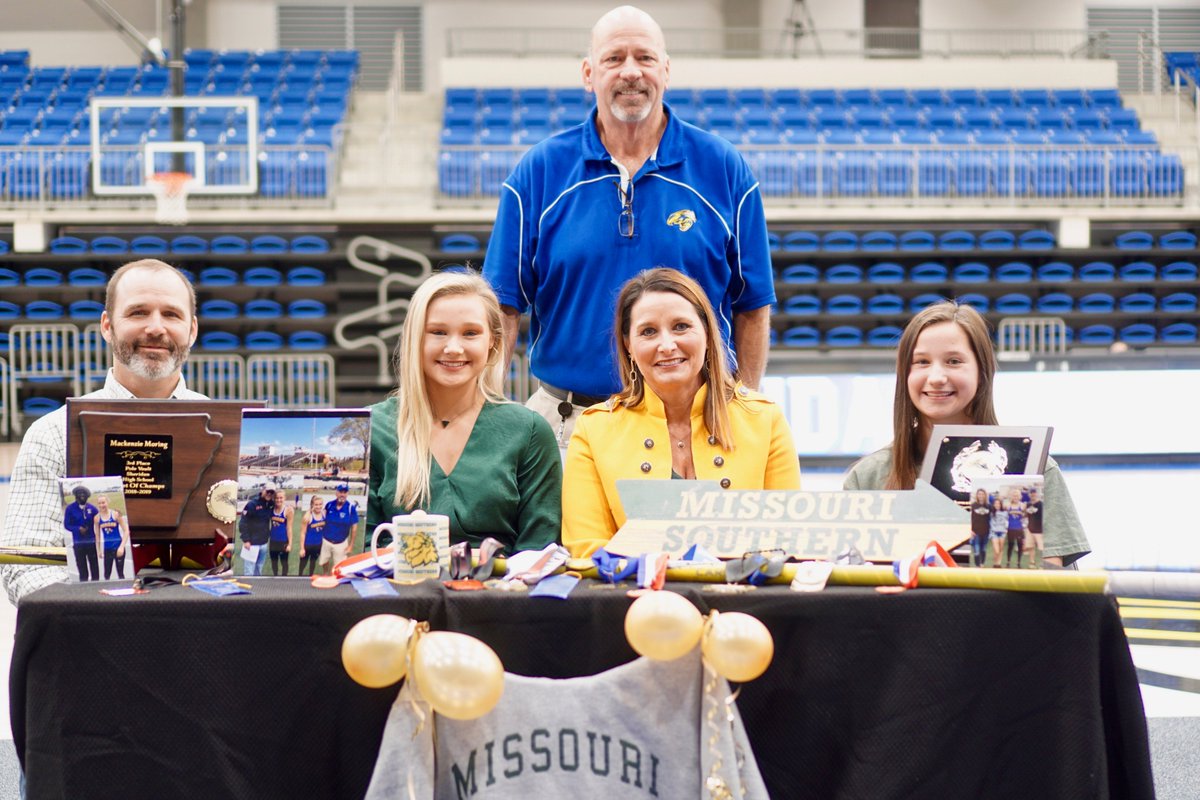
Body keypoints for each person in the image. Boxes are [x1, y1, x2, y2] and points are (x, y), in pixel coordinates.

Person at [483, 5, 775, 449]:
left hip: (696, 422)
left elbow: (752, 306)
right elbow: (503, 308)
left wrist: (742, 405)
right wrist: (490, 413)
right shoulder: (539, 171)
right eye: (614, 59)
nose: (631, 72)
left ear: (666, 70)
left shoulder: (724, 168)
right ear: (588, 74)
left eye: (645, 58)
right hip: (567, 424)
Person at [0, 258, 206, 605]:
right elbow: (25, 566)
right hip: (94, 642)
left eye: (171, 314)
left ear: (193, 330)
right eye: (138, 312)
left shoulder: (235, 432)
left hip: (204, 638)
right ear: (107, 326)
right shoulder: (52, 435)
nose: (155, 328)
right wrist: (110, 616)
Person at [562, 268, 800, 558]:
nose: (666, 345)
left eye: (680, 327)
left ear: (707, 334)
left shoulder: (765, 419)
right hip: (634, 596)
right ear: (629, 346)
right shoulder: (593, 429)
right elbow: (587, 550)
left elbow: (786, 541)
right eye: (648, 331)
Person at [843, 302, 1090, 567]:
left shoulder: (1033, 468)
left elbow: (1052, 584)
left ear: (982, 373)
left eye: (954, 361)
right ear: (905, 374)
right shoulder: (867, 477)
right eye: (922, 362)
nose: (936, 376)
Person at [368, 271, 562, 554]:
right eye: (438, 332)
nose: (453, 348)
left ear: (493, 341)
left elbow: (538, 549)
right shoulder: (370, 427)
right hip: (397, 591)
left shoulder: (529, 431)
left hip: (501, 593)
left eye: (470, 333)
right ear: (415, 339)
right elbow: (359, 547)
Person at [320, 484, 359, 574]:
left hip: (341, 544)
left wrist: (351, 546)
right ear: (336, 493)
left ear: (347, 494)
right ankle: (325, 574)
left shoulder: (350, 508)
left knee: (339, 567)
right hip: (326, 541)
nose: (342, 494)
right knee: (324, 561)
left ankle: (335, 578)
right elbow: (322, 518)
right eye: (340, 492)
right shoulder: (329, 505)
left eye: (345, 492)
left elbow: (354, 528)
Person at [239, 484, 276, 577]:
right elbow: (243, 522)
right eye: (268, 491)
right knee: (249, 570)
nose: (269, 494)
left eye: (272, 492)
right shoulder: (252, 504)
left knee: (259, 568)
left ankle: (257, 588)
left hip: (263, 543)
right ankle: (248, 588)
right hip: (252, 544)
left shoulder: (271, 504)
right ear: (262, 490)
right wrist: (246, 540)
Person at [63, 486, 100, 582]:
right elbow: (67, 524)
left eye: (84, 495)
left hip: (91, 541)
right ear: (76, 496)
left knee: (94, 566)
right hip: (78, 543)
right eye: (79, 495)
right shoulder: (70, 509)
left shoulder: (92, 508)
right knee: (82, 567)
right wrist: (77, 529)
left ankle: (96, 585)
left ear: (87, 497)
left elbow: (99, 520)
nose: (82, 496)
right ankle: (83, 587)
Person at [93, 494, 131, 580]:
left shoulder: (115, 514)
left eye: (103, 502)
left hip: (118, 547)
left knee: (120, 573)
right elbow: (97, 535)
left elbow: (126, 531)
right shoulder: (97, 518)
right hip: (107, 549)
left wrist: (121, 547)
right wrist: (99, 550)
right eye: (99, 503)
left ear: (107, 502)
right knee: (107, 574)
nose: (102, 505)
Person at [267, 490, 294, 576]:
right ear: (274, 499)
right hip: (273, 541)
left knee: (284, 562)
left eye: (281, 498)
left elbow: (289, 528)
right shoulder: (271, 509)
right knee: (274, 562)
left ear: (284, 498)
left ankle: (284, 579)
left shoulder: (288, 510)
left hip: (283, 541)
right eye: (277, 498)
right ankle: (275, 577)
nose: (279, 500)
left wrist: (290, 544)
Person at [297, 495, 325, 577]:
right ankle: (299, 576)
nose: (318, 506)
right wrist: (302, 548)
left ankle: (310, 576)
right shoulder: (308, 517)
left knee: (313, 562)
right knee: (303, 563)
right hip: (308, 545)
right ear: (312, 505)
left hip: (318, 545)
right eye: (316, 504)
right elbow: (302, 533)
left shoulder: (324, 514)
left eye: (320, 504)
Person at [1004, 487, 1027, 568]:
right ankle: (1008, 562)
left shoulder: (1023, 505)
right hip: (1010, 529)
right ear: (1011, 497)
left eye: (1017, 496)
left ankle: (1018, 562)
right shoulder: (1007, 506)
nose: (1015, 497)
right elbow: (1004, 516)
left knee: (1020, 545)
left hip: (1019, 529)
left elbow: (1025, 516)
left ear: (1020, 496)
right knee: (1010, 546)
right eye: (1014, 496)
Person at [968, 487, 991, 567]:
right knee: (977, 550)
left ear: (985, 495)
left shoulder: (988, 506)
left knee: (983, 549)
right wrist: (970, 530)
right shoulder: (973, 505)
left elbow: (993, 516)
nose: (981, 496)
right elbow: (971, 518)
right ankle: (978, 565)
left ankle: (982, 563)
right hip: (976, 532)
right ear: (977, 495)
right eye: (979, 494)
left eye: (982, 494)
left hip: (986, 531)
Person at [1026, 487, 1045, 567]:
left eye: (1034, 493)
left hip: (1039, 530)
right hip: (1030, 529)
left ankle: (1042, 564)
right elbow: (1027, 515)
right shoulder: (1028, 504)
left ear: (1037, 494)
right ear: (1029, 494)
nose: (1033, 494)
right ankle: (1032, 562)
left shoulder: (1041, 504)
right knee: (1030, 547)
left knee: (1041, 549)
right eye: (1031, 493)